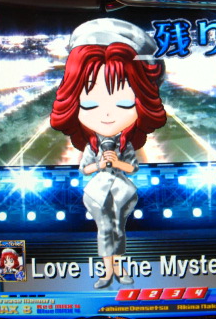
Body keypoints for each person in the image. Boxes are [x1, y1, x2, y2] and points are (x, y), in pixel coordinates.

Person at [51, 18, 166, 289]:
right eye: (89, 104)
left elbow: (133, 167)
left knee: (118, 230)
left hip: (122, 191)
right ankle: (106, 272)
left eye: (124, 103)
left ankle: (120, 269)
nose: (105, 114)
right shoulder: (91, 146)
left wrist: (117, 163)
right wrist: (100, 165)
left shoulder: (125, 145)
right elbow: (85, 169)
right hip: (97, 191)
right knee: (104, 231)